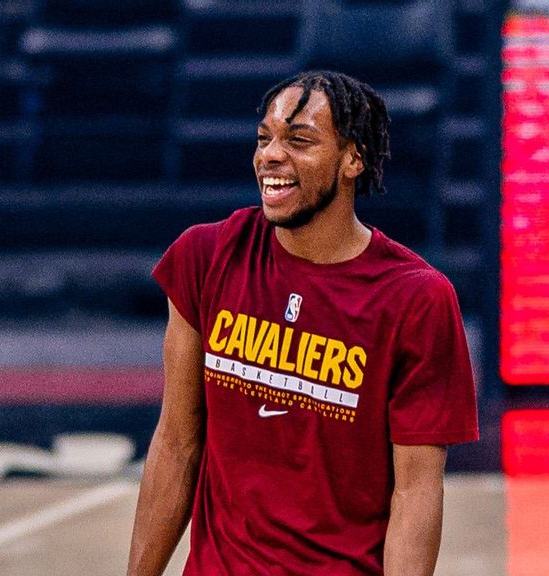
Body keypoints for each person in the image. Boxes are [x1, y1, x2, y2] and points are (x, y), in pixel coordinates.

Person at [127, 70, 478, 576]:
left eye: (299, 140)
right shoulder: (205, 256)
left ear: (353, 159)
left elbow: (415, 492)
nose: (270, 155)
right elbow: (177, 443)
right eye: (264, 138)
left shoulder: (416, 299)